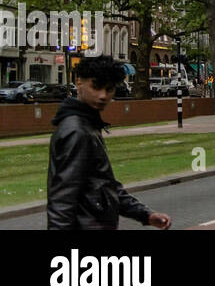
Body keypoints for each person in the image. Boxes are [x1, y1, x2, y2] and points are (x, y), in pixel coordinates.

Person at [47, 56, 172, 232]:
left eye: (109, 89)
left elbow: (103, 185)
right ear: (78, 82)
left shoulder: (87, 124)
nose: (103, 96)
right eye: (96, 86)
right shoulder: (76, 131)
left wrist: (145, 214)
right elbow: (62, 198)